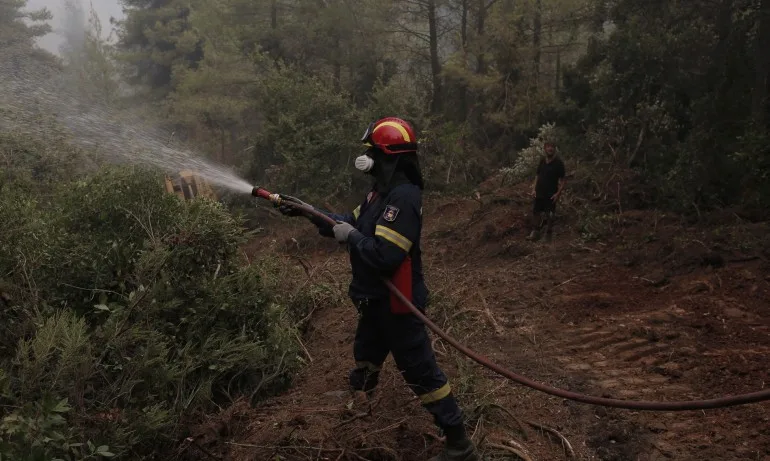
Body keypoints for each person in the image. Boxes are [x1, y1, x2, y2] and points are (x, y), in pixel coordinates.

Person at [276, 117, 479, 461]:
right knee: (368, 348)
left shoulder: (403, 199)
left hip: (398, 303)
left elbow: (386, 255)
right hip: (375, 300)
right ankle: (360, 397)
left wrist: (352, 237)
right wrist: (307, 211)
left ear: (389, 157)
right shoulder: (379, 194)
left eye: (372, 153)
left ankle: (459, 442)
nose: (367, 161)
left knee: (419, 369)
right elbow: (346, 221)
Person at [528, 141, 566, 242]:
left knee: (549, 214)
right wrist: (533, 189)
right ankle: (535, 233)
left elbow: (562, 181)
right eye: (548, 147)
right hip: (539, 191)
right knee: (536, 212)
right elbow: (537, 176)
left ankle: (548, 235)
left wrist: (558, 194)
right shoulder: (542, 160)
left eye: (552, 147)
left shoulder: (559, 163)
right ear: (545, 148)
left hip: (551, 193)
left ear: (555, 149)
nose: (550, 149)